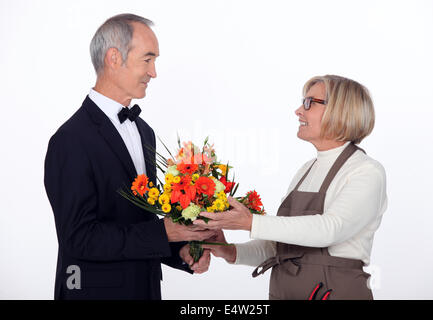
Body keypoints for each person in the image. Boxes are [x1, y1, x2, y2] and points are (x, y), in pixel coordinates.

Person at [44, 13, 215, 300]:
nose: (154, 72)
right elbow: (79, 239)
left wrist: (180, 251)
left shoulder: (144, 131)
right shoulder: (69, 140)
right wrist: (164, 234)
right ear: (114, 58)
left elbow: (140, 222)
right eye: (148, 60)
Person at [195, 75, 387, 300]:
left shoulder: (366, 171)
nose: (298, 110)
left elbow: (330, 229)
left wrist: (250, 222)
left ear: (340, 110)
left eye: (309, 103)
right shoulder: (307, 169)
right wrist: (231, 251)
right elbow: (281, 247)